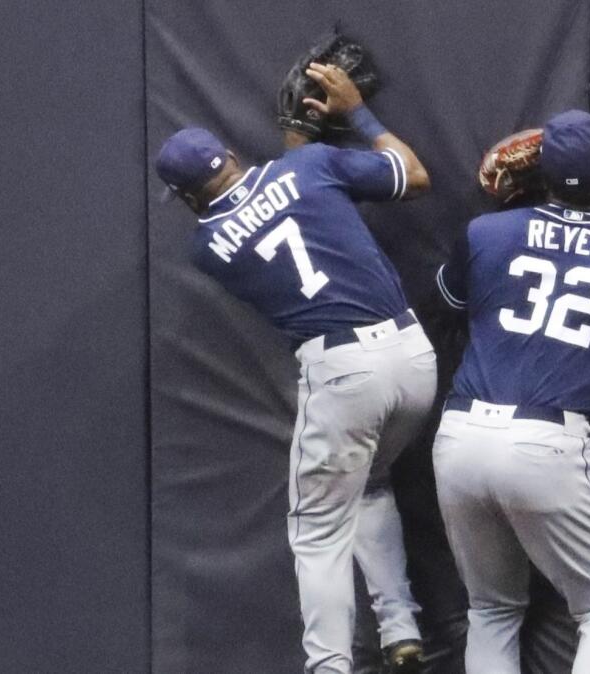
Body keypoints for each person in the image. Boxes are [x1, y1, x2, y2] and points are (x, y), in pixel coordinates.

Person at [155, 62, 434, 674]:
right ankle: (400, 626)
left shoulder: (208, 249)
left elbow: (274, 204)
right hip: (414, 361)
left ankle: (329, 666)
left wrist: (300, 136)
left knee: (317, 534)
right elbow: (411, 175)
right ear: (228, 152)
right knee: (370, 483)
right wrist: (354, 113)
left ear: (182, 197)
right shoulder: (307, 168)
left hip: (344, 374)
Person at [433, 110, 590, 673]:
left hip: (461, 434)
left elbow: (448, 304)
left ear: (537, 173)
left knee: (491, 610)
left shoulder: (485, 233)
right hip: (546, 442)